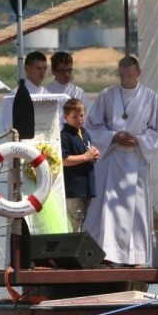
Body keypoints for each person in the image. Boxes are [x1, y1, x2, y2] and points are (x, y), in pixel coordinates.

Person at [83, 55, 158, 267]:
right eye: (122, 75)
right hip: (113, 157)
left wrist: (138, 140)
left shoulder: (150, 97)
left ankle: (136, 257)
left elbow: (156, 131)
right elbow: (92, 126)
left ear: (138, 73)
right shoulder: (107, 95)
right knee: (109, 209)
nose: (126, 79)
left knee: (137, 212)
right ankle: (108, 254)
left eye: (130, 75)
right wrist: (112, 137)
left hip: (137, 158)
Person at [60, 97, 100, 232]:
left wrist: (93, 156)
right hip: (74, 189)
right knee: (74, 226)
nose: (79, 120)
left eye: (82, 115)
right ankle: (70, 252)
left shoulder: (84, 133)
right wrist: (85, 157)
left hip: (86, 187)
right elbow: (63, 160)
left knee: (82, 224)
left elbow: (86, 154)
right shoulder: (65, 136)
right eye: (74, 117)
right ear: (65, 117)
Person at [1, 51, 49, 131]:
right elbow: (7, 125)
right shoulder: (15, 94)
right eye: (38, 68)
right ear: (27, 68)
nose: (42, 72)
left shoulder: (48, 94)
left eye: (45, 68)